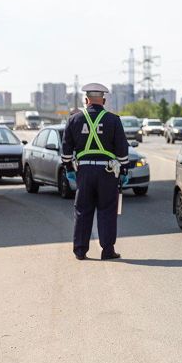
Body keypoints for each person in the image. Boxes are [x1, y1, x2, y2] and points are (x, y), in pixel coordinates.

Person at [61, 83, 129, 260]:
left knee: (82, 210)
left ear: (86, 100)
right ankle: (107, 251)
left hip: (84, 171)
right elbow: (122, 150)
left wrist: (70, 169)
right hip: (107, 172)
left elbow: (66, 152)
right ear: (104, 101)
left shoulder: (73, 120)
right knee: (107, 210)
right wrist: (124, 171)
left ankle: (80, 251)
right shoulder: (113, 120)